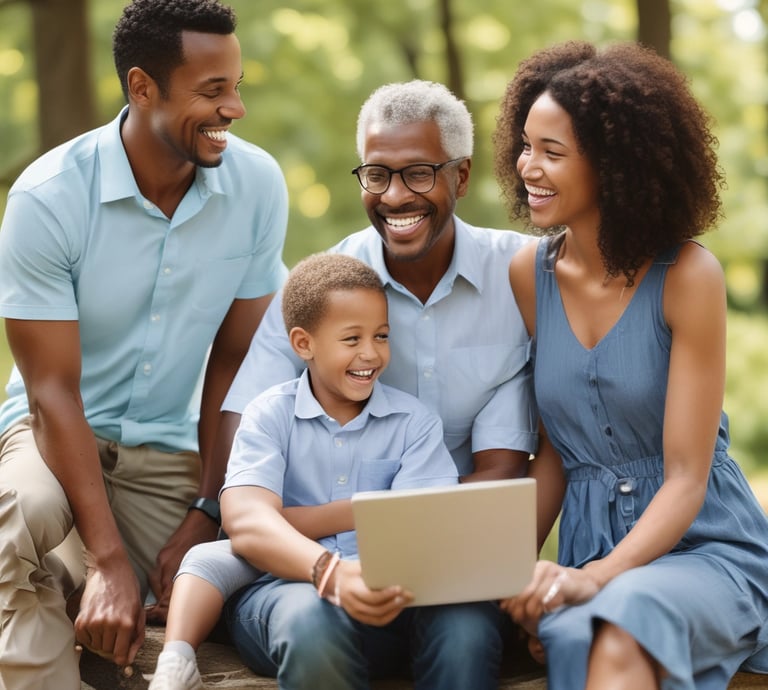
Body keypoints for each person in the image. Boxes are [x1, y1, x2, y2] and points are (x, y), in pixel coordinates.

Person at [0, 0, 288, 687]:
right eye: (213, 91)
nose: (235, 109)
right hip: (54, 432)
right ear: (142, 88)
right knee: (22, 520)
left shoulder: (257, 187)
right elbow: (51, 390)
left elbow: (236, 360)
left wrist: (208, 506)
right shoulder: (48, 198)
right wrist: (105, 560)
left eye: (237, 85)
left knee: (205, 586)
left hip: (170, 445)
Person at [493, 40, 768, 689]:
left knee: (618, 630)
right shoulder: (528, 277)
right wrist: (508, 572)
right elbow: (555, 451)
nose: (529, 167)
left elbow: (685, 478)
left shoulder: (688, 276)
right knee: (594, 633)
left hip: (703, 550)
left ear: (614, 166)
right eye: (526, 145)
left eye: (552, 152)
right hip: (590, 558)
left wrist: (595, 579)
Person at [149, 252, 502, 690]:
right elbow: (246, 520)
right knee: (309, 620)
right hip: (287, 591)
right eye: (352, 339)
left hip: (395, 599)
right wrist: (330, 569)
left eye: (382, 336)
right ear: (303, 343)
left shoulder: (415, 423)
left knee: (468, 625)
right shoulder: (268, 415)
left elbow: (422, 526)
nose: (371, 353)